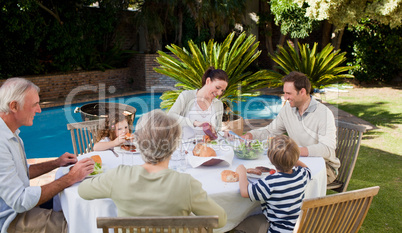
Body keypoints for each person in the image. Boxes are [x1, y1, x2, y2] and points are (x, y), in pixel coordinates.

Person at [78, 109, 227, 228]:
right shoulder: (186, 184)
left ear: (139, 142)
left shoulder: (118, 176)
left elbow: (82, 191)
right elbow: (220, 220)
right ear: (174, 146)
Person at [0, 78, 94, 233]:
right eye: (34, 105)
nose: (39, 110)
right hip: (10, 219)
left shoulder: (10, 133)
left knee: (69, 207)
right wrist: (70, 178)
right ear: (14, 106)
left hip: (17, 209)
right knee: (78, 225)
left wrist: (56, 163)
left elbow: (22, 172)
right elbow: (20, 201)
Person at [241, 71, 339, 183]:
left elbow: (327, 148)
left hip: (324, 168)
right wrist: (250, 135)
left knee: (281, 182)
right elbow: (270, 131)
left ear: (302, 91)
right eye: (284, 93)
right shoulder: (288, 109)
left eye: (289, 93)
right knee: (267, 177)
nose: (285, 97)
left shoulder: (323, 114)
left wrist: (293, 152)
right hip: (295, 162)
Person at [236, 135, 312, 233]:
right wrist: (291, 157)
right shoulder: (301, 175)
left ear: (270, 159)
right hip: (297, 228)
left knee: (241, 224)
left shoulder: (270, 182)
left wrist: (241, 172)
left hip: (277, 230)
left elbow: (245, 192)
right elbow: (307, 169)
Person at [168, 66, 228, 140]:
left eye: (222, 90)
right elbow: (170, 116)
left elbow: (217, 130)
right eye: (217, 88)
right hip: (184, 147)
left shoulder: (218, 104)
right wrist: (195, 123)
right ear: (208, 81)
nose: (219, 93)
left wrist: (224, 133)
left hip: (207, 147)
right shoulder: (186, 96)